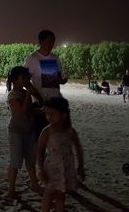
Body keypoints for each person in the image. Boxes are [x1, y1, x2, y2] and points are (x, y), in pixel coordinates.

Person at [37, 97, 85, 212]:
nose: (49, 117)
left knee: (61, 193)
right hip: (51, 168)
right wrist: (41, 169)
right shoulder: (47, 131)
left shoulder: (70, 131)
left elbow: (78, 149)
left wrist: (80, 166)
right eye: (47, 114)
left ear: (63, 115)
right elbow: (39, 149)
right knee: (48, 193)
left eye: (53, 114)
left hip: (66, 168)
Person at [5, 66, 42, 198]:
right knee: (15, 162)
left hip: (28, 131)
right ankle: (11, 190)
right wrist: (28, 95)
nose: (26, 80)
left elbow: (30, 110)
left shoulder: (25, 92)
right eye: (23, 78)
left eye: (27, 78)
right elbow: (20, 113)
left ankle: (34, 184)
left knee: (31, 161)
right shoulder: (13, 95)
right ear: (15, 80)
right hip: (17, 132)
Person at [24, 29, 67, 140]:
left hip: (55, 101)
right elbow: (25, 81)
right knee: (40, 136)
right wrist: (38, 98)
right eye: (48, 41)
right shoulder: (32, 58)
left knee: (56, 136)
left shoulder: (55, 58)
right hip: (40, 103)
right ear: (40, 42)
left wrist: (61, 80)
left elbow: (58, 77)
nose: (51, 44)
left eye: (53, 41)